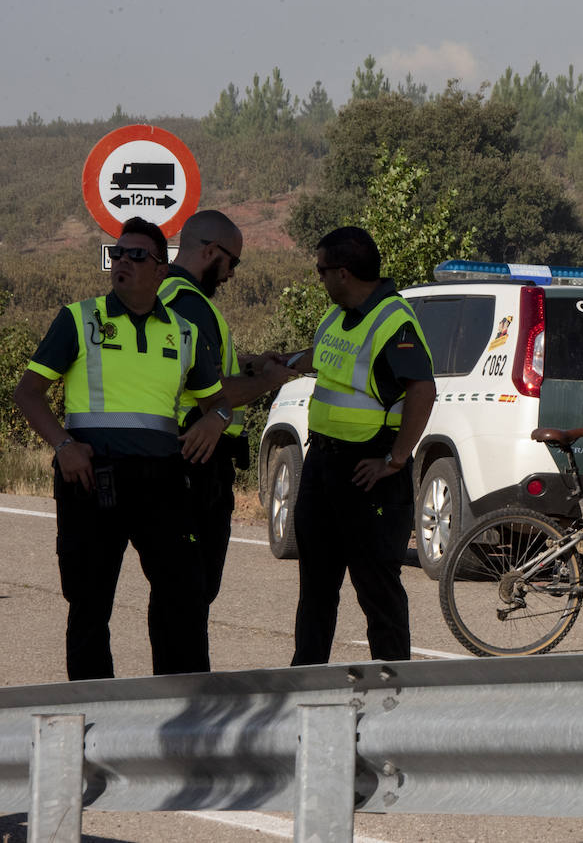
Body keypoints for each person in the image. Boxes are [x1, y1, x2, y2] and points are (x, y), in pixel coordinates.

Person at [13, 217, 230, 680]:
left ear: (160, 269)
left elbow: (219, 403)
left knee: (185, 600)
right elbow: (27, 393)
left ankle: (183, 717)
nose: (122, 263)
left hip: (163, 483)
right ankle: (94, 725)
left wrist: (217, 421)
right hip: (92, 480)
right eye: (117, 254)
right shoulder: (79, 319)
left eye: (136, 255)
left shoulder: (184, 332)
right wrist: (64, 445)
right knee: (89, 607)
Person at [283, 226, 436, 665]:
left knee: (376, 588)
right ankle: (307, 679)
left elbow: (422, 391)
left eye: (321, 271)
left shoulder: (393, 321)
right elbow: (323, 356)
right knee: (315, 585)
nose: (319, 279)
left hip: (368, 473)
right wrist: (283, 363)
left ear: (344, 273)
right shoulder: (339, 314)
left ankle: (392, 684)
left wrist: (395, 460)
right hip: (324, 464)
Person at [158, 210, 294, 624]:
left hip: (173, 455)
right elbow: (212, 393)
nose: (232, 274)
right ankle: (187, 679)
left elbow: (193, 370)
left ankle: (174, 675)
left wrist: (250, 364)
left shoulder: (163, 293)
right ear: (211, 251)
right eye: (232, 262)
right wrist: (269, 381)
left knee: (175, 587)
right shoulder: (193, 305)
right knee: (193, 590)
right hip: (198, 460)